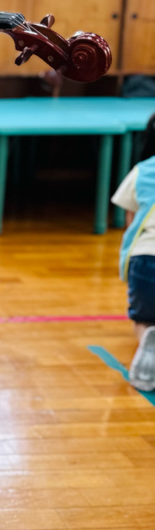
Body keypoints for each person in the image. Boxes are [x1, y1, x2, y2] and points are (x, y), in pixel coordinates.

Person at [111, 112, 155, 391]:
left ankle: (147, 341)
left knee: (143, 319)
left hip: (145, 257)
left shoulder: (143, 171)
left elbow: (130, 222)